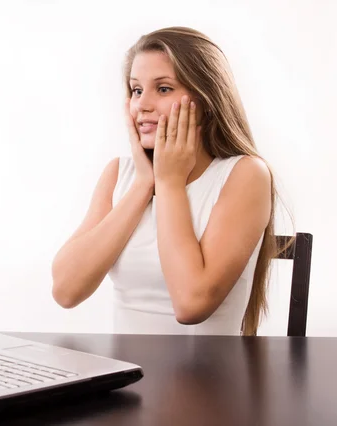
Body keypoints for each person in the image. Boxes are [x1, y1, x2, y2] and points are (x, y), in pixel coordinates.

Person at [51, 26, 287, 336]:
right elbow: (66, 291)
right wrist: (143, 185)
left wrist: (170, 183)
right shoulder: (118, 175)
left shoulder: (246, 174)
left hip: (207, 381)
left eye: (163, 89)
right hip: (129, 377)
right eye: (136, 90)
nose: (143, 105)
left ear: (206, 99)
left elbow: (191, 305)